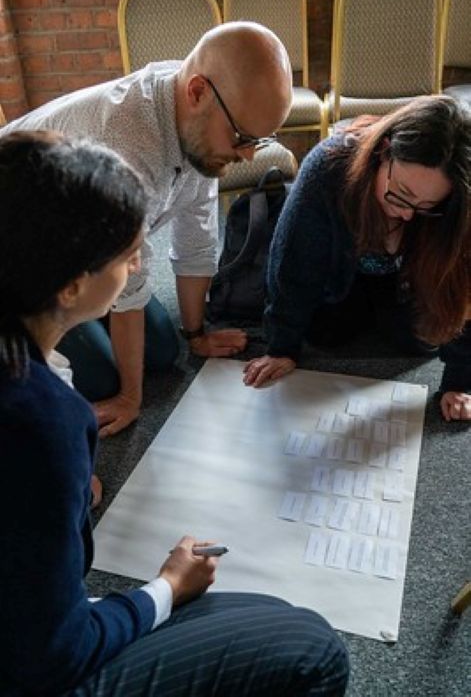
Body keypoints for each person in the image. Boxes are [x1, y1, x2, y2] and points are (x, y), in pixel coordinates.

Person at [0, 131, 348, 697]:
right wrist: (164, 587)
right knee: (311, 646)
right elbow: (55, 658)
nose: (140, 264)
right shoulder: (41, 418)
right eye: (127, 255)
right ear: (70, 286)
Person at [0, 21, 293, 439]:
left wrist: (196, 334)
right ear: (196, 92)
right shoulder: (127, 143)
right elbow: (130, 283)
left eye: (258, 142)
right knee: (103, 378)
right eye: (242, 137)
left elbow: (196, 237)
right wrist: (128, 398)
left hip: (85, 251)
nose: (247, 156)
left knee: (163, 349)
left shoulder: (200, 114)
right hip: (21, 261)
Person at [243, 95, 471, 422]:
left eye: (425, 206)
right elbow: (292, 262)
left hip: (405, 277)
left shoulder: (458, 203)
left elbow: (461, 290)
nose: (407, 214)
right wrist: (282, 346)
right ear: (384, 151)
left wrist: (460, 381)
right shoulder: (329, 166)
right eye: (401, 194)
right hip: (339, 270)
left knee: (420, 342)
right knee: (325, 334)